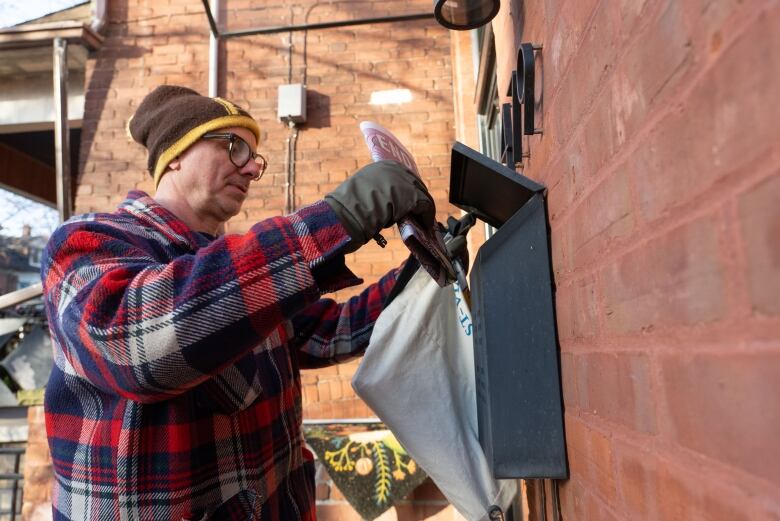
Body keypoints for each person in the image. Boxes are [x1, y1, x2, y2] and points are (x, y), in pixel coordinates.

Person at [40, 85, 437, 520]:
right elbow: (133, 347)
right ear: (175, 153)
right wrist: (339, 216)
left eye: (255, 159)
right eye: (234, 148)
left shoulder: (246, 280)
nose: (250, 169)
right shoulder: (85, 244)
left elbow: (334, 332)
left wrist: (420, 276)